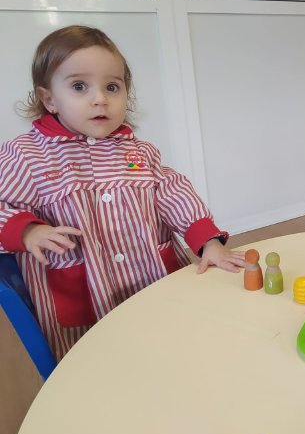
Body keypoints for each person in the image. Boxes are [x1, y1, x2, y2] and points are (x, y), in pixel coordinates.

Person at [0, 25, 246, 360]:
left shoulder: (138, 152)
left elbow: (174, 193)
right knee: (106, 365)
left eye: (112, 87)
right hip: (86, 305)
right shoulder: (26, 156)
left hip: (153, 283)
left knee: (174, 349)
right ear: (49, 99)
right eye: (79, 86)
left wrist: (209, 242)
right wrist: (27, 230)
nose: (100, 98)